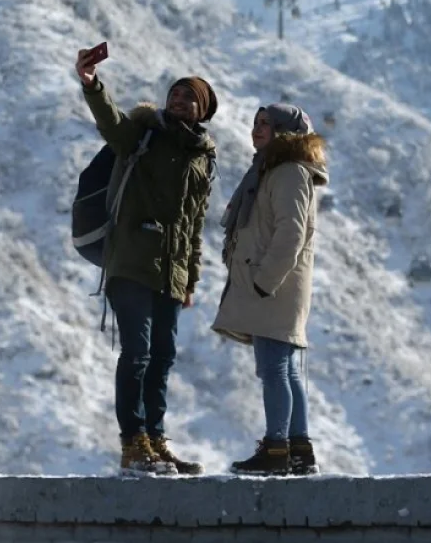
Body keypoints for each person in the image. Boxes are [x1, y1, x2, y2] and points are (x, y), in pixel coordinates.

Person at [75, 47, 218, 476]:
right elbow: (110, 121)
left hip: (171, 276)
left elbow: (194, 226)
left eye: (189, 97)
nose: (178, 101)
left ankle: (156, 441)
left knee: (162, 357)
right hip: (131, 263)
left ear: (203, 109)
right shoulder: (142, 135)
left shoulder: (203, 158)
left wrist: (190, 280)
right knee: (136, 353)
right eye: (175, 94)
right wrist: (92, 84)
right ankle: (132, 443)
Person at [211, 103, 328, 476]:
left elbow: (291, 233)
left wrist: (263, 281)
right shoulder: (273, 171)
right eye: (256, 122)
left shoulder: (289, 173)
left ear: (287, 133)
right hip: (274, 285)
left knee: (275, 367)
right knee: (285, 367)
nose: (257, 129)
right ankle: (297, 448)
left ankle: (277, 447)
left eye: (268, 124)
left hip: (275, 286)